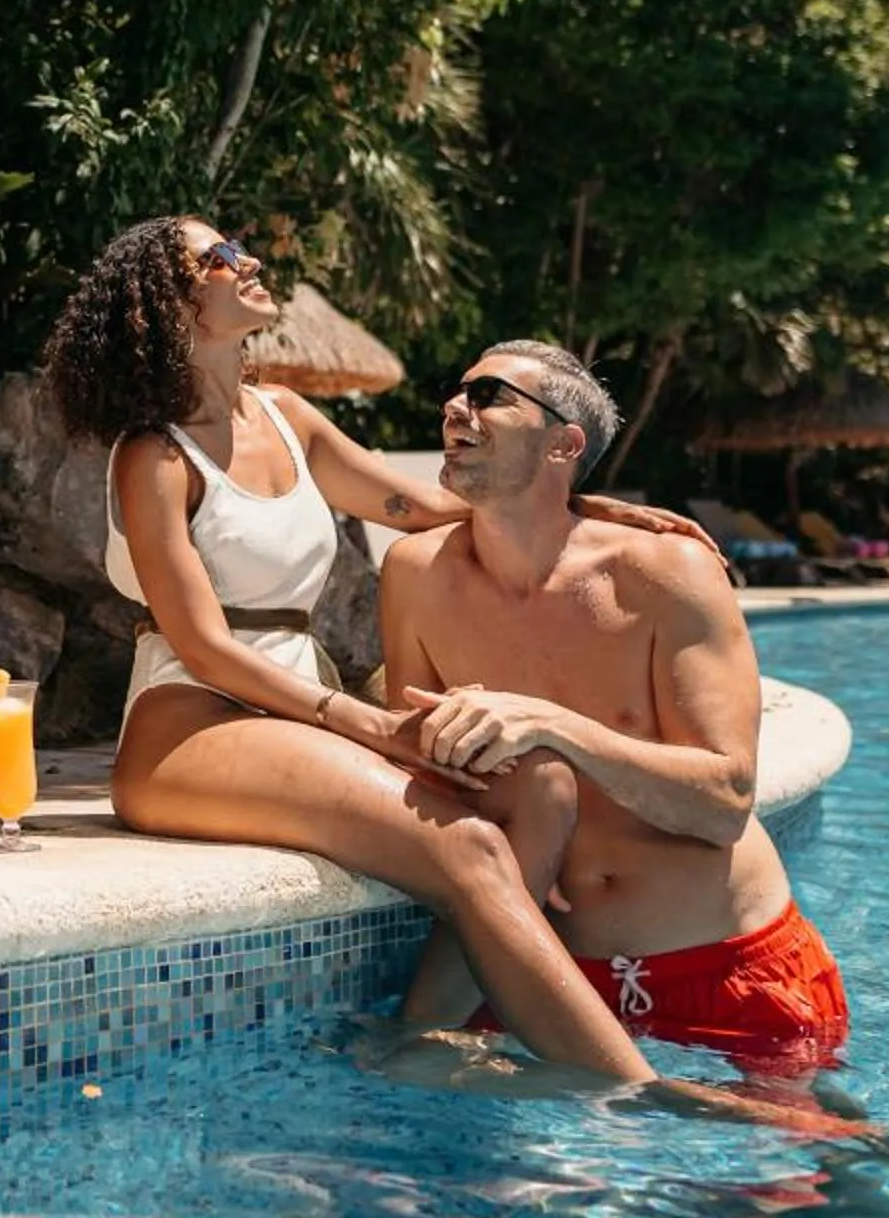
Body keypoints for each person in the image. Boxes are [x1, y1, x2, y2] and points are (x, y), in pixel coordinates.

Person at [43, 217, 658, 1080]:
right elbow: (207, 649)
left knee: (544, 784)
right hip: (190, 728)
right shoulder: (154, 457)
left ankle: (416, 1040)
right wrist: (372, 726)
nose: (245, 260)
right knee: (470, 846)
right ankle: (636, 1094)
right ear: (169, 301)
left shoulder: (287, 417)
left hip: (294, 720)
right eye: (217, 257)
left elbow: (416, 508)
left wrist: (592, 512)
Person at [381, 341, 851, 1083]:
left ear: (564, 444)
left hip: (726, 973)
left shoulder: (664, 572)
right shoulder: (414, 576)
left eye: (491, 394)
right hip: (545, 984)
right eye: (455, 389)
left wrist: (554, 726)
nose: (455, 407)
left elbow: (725, 801)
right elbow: (416, 770)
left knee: (785, 1193)